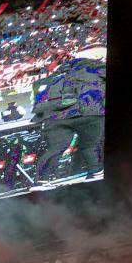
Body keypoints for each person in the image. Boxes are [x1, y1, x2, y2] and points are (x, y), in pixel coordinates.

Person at [31, 47, 106, 186]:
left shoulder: (51, 78)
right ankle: (95, 173)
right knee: (90, 145)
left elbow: (38, 99)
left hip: (53, 116)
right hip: (88, 111)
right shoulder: (95, 67)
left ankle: (40, 182)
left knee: (55, 149)